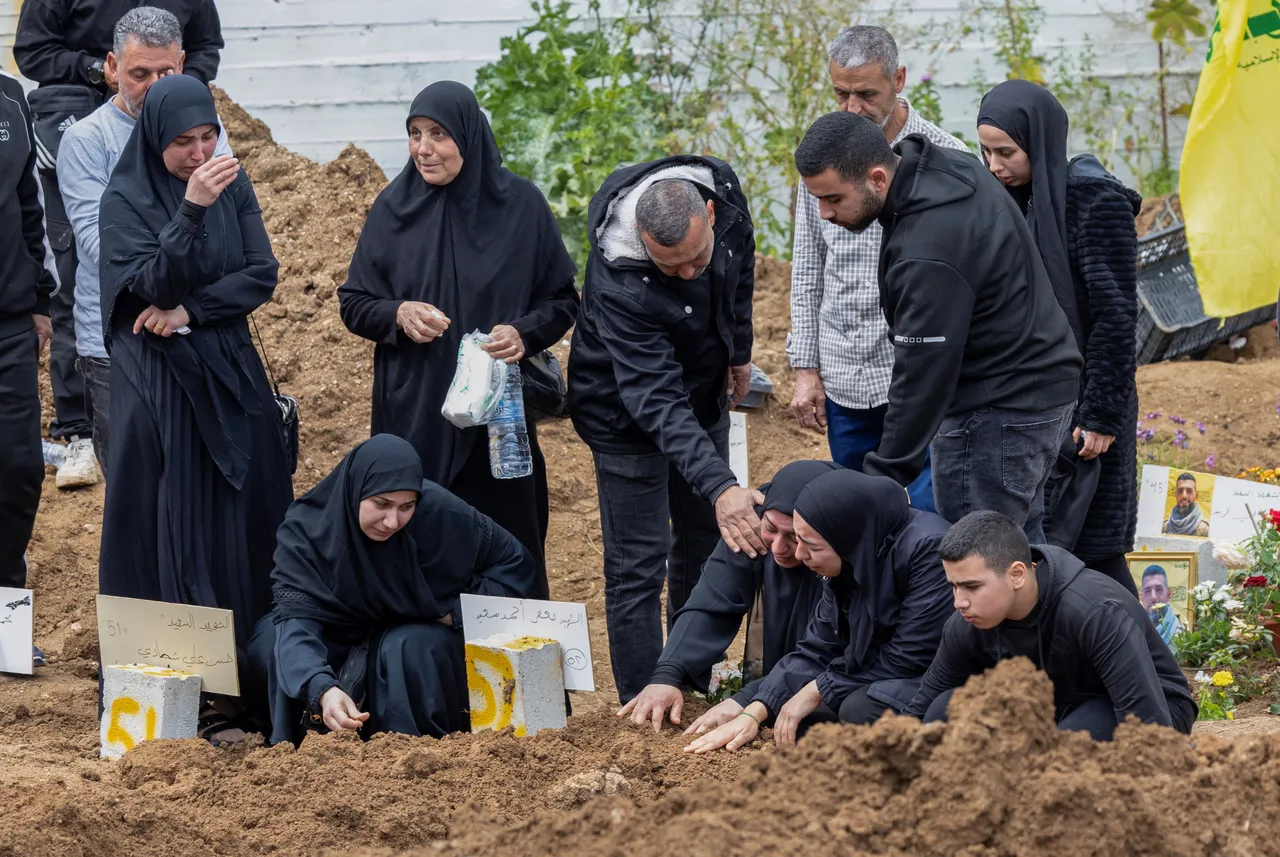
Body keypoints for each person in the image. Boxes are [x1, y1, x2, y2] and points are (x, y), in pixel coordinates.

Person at [97, 74, 293, 741]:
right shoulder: (124, 198)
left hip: (228, 363)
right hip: (161, 384)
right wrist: (191, 211)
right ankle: (199, 696)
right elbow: (149, 280)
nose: (200, 150)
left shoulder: (229, 178)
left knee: (253, 507)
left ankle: (257, 680)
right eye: (184, 141)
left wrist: (193, 310)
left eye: (208, 136)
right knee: (180, 525)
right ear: (156, 139)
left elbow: (260, 272)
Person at [792, 111, 1082, 542]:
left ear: (876, 177)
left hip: (998, 410)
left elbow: (921, 378)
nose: (824, 213)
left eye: (833, 198)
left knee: (977, 560)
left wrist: (878, 478)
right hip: (1043, 388)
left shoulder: (926, 252)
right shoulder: (943, 164)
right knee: (1021, 550)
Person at [338, 81, 577, 601]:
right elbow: (354, 302)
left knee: (511, 548)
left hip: (499, 424)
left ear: (469, 137)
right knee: (421, 542)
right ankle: (428, 671)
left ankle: (517, 671)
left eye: (439, 135)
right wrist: (397, 313)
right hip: (416, 412)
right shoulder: (393, 210)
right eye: (415, 134)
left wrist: (523, 333)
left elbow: (562, 299)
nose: (424, 148)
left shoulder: (520, 208)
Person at [568, 158, 757, 703]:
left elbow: (737, 274)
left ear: (712, 215)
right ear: (642, 241)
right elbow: (654, 397)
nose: (686, 275)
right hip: (622, 415)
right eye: (668, 266)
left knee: (702, 542)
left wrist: (737, 353)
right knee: (638, 564)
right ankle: (643, 700)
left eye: (696, 259)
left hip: (702, 391)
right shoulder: (618, 283)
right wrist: (723, 487)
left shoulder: (722, 194)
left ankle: (690, 680)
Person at [14, 0, 224, 490]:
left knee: (197, 482)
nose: (153, 85)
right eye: (139, 73)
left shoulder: (206, 139)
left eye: (165, 71)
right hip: (118, 335)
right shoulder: (90, 142)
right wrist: (186, 228)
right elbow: (102, 249)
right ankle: (76, 426)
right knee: (138, 487)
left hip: (192, 322)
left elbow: (236, 243)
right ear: (115, 67)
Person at [248, 435, 536, 745]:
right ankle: (303, 743)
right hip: (338, 630)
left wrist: (453, 612)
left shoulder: (439, 516)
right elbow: (295, 622)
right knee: (271, 639)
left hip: (414, 628)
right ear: (355, 490)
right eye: (381, 504)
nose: (392, 521)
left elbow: (515, 564)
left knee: (407, 646)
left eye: (406, 506)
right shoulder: (307, 531)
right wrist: (322, 688)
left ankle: (407, 747)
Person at [789, 26, 969, 513]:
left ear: (899, 80)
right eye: (840, 93)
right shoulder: (820, 157)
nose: (851, 108)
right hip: (846, 371)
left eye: (866, 94)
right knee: (855, 518)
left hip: (918, 371)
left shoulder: (946, 157)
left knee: (929, 516)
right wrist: (806, 369)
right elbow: (807, 268)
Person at [976, 80, 1143, 591]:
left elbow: (1116, 317)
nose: (995, 165)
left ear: (1041, 141)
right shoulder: (1011, 201)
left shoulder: (1094, 202)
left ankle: (1146, 669)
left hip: (1090, 407)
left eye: (1007, 152)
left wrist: (1100, 417)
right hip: (1035, 403)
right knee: (1052, 551)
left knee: (1094, 553)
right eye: (985, 152)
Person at [685, 470, 953, 754]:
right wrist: (753, 708)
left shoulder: (927, 550)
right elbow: (817, 648)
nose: (798, 554)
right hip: (879, 677)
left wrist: (818, 689)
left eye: (809, 545)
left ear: (847, 539)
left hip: (937, 681)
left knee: (859, 709)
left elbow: (911, 656)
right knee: (795, 718)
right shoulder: (852, 560)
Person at [905, 511, 1197, 740]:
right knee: (944, 710)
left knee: (1074, 742)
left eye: (971, 586)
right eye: (953, 587)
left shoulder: (1093, 610)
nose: (959, 602)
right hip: (1054, 708)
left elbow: (1148, 722)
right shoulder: (966, 622)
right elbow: (922, 706)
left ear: (1017, 574)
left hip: (1151, 707)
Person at [618, 460, 842, 732]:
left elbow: (830, 652)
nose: (780, 548)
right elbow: (711, 602)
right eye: (771, 528)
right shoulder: (751, 526)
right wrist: (668, 673)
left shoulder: (847, 542)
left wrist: (749, 701)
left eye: (795, 537)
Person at [0, 67, 56, 666]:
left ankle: (5, 635)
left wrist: (39, 299)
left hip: (9, 323)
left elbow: (28, 204)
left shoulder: (8, 98)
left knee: (17, 471)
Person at [1140, 565, 1184, 645]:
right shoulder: (1135, 631)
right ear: (1141, 597)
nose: (1153, 596)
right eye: (1147, 591)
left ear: (1168, 594)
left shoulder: (1180, 633)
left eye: (1158, 589)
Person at [1163, 472, 1210, 537]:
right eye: (1180, 491)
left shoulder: (1206, 530)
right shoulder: (1164, 527)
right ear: (1175, 495)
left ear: (1196, 496)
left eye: (1189, 491)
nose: (1184, 495)